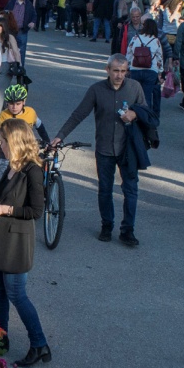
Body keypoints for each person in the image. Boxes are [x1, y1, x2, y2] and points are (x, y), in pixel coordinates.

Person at [51, 54, 158, 247]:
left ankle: (128, 231)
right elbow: (78, 114)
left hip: (128, 149)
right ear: (107, 70)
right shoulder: (96, 90)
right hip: (104, 149)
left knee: (131, 190)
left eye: (123, 71)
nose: (119, 75)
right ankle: (107, 225)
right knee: (105, 190)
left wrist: (134, 113)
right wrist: (61, 135)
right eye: (115, 71)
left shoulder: (135, 88)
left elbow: (147, 112)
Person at [0, 119, 50, 368]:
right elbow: (5, 198)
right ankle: (1, 339)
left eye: (3, 141)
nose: (0, 146)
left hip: (16, 244)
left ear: (15, 142)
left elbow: (35, 211)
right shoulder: (11, 166)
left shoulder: (32, 170)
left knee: (17, 295)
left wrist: (5, 209)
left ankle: (39, 344)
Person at [123, 19, 166, 121]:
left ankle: (134, 115)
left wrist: (127, 67)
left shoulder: (135, 38)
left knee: (134, 94)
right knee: (147, 96)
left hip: (135, 69)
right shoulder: (156, 41)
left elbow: (129, 53)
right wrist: (160, 72)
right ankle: (147, 118)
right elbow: (159, 57)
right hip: (150, 71)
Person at [0, 15, 22, 119]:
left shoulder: (9, 38)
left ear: (3, 27)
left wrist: (19, 66)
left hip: (6, 67)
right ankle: (4, 115)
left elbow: (16, 52)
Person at [8, 0, 38, 68]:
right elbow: (6, 12)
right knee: (10, 50)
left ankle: (20, 70)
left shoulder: (28, 4)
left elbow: (34, 15)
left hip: (22, 31)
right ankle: (10, 68)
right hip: (11, 30)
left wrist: (32, 22)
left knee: (22, 51)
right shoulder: (12, 2)